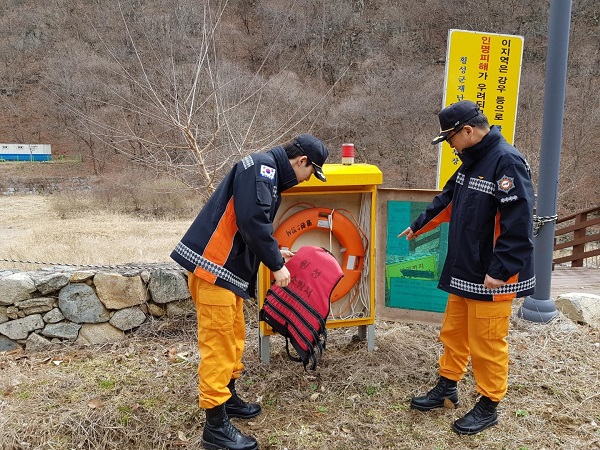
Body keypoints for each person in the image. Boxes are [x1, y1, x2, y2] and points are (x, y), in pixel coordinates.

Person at [171, 134, 329, 450]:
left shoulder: (264, 170)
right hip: (214, 268)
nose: (306, 179)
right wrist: (276, 265)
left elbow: (245, 223)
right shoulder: (263, 169)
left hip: (226, 271)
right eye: (310, 173)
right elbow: (252, 220)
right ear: (302, 161)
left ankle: (228, 399)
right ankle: (215, 427)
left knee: (233, 337)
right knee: (218, 345)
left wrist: (275, 250)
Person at [398, 100, 535, 435]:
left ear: (468, 131)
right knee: (454, 332)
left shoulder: (507, 161)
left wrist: (501, 270)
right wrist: (419, 225)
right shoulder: (472, 160)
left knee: (487, 341)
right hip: (465, 266)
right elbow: (448, 199)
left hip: (492, 273)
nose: (451, 146)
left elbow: (519, 222)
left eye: (450, 139)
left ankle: (489, 404)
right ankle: (447, 387)